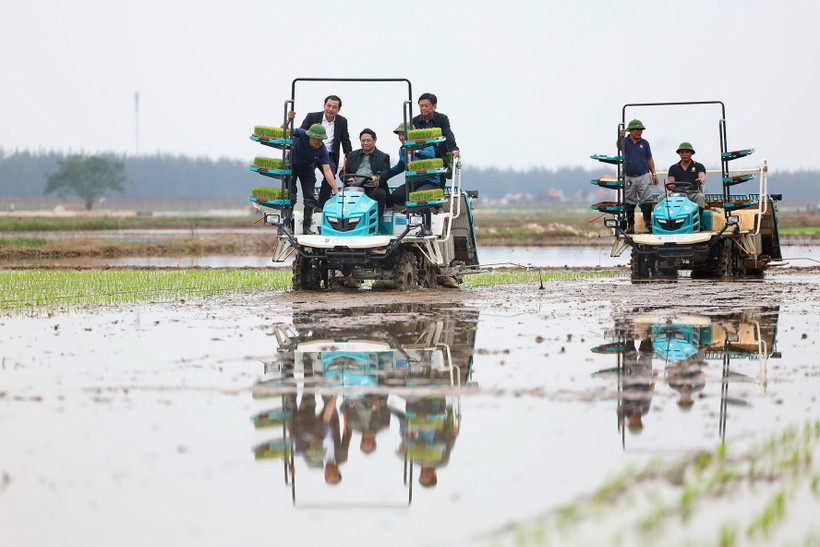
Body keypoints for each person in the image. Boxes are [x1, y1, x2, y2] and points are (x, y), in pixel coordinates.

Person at [298, 95, 353, 209]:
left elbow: (345, 140)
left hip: (328, 155)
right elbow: (301, 133)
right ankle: (309, 204)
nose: (330, 109)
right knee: (308, 177)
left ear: (338, 110)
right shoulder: (312, 117)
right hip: (310, 152)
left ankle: (321, 206)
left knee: (330, 176)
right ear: (324, 106)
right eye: (328, 106)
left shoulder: (342, 121)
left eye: (334, 107)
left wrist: (351, 157)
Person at [286, 121, 337, 234]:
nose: (317, 142)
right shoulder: (302, 134)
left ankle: (306, 227)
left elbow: (327, 171)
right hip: (291, 166)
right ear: (309, 136)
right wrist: (289, 119)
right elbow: (283, 130)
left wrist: (335, 188)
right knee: (291, 196)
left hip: (307, 169)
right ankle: (287, 225)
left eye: (320, 139)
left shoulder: (323, 150)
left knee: (309, 198)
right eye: (315, 139)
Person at [617, 119, 659, 233]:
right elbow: (619, 147)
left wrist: (654, 173)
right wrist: (620, 137)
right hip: (629, 176)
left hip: (644, 175)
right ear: (630, 130)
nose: (639, 131)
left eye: (641, 130)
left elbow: (649, 159)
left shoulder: (645, 143)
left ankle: (647, 224)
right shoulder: (625, 141)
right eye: (636, 129)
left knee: (646, 200)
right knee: (629, 201)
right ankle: (630, 226)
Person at [385, 121, 437, 206]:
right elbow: (400, 166)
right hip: (413, 183)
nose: (401, 138)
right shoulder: (402, 150)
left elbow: (430, 155)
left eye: (403, 135)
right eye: (399, 135)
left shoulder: (425, 144)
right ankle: (411, 208)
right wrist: (385, 174)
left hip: (429, 182)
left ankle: (424, 209)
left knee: (419, 195)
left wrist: (416, 152)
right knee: (396, 196)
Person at [342, 128, 391, 218]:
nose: (365, 143)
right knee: (341, 194)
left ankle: (377, 221)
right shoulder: (352, 155)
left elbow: (386, 172)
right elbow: (343, 172)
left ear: (375, 140)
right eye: (363, 141)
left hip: (372, 188)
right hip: (354, 187)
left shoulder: (383, 157)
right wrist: (348, 179)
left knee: (381, 193)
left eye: (368, 140)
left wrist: (377, 179)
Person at [667, 142, 707, 209]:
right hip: (677, 194)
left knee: (700, 197)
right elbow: (671, 182)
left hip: (693, 193)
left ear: (691, 153)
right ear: (679, 154)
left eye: (687, 152)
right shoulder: (673, 168)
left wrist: (701, 179)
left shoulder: (698, 166)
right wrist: (671, 186)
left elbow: (702, 176)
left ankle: (699, 214)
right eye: (682, 152)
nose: (684, 154)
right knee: (661, 198)